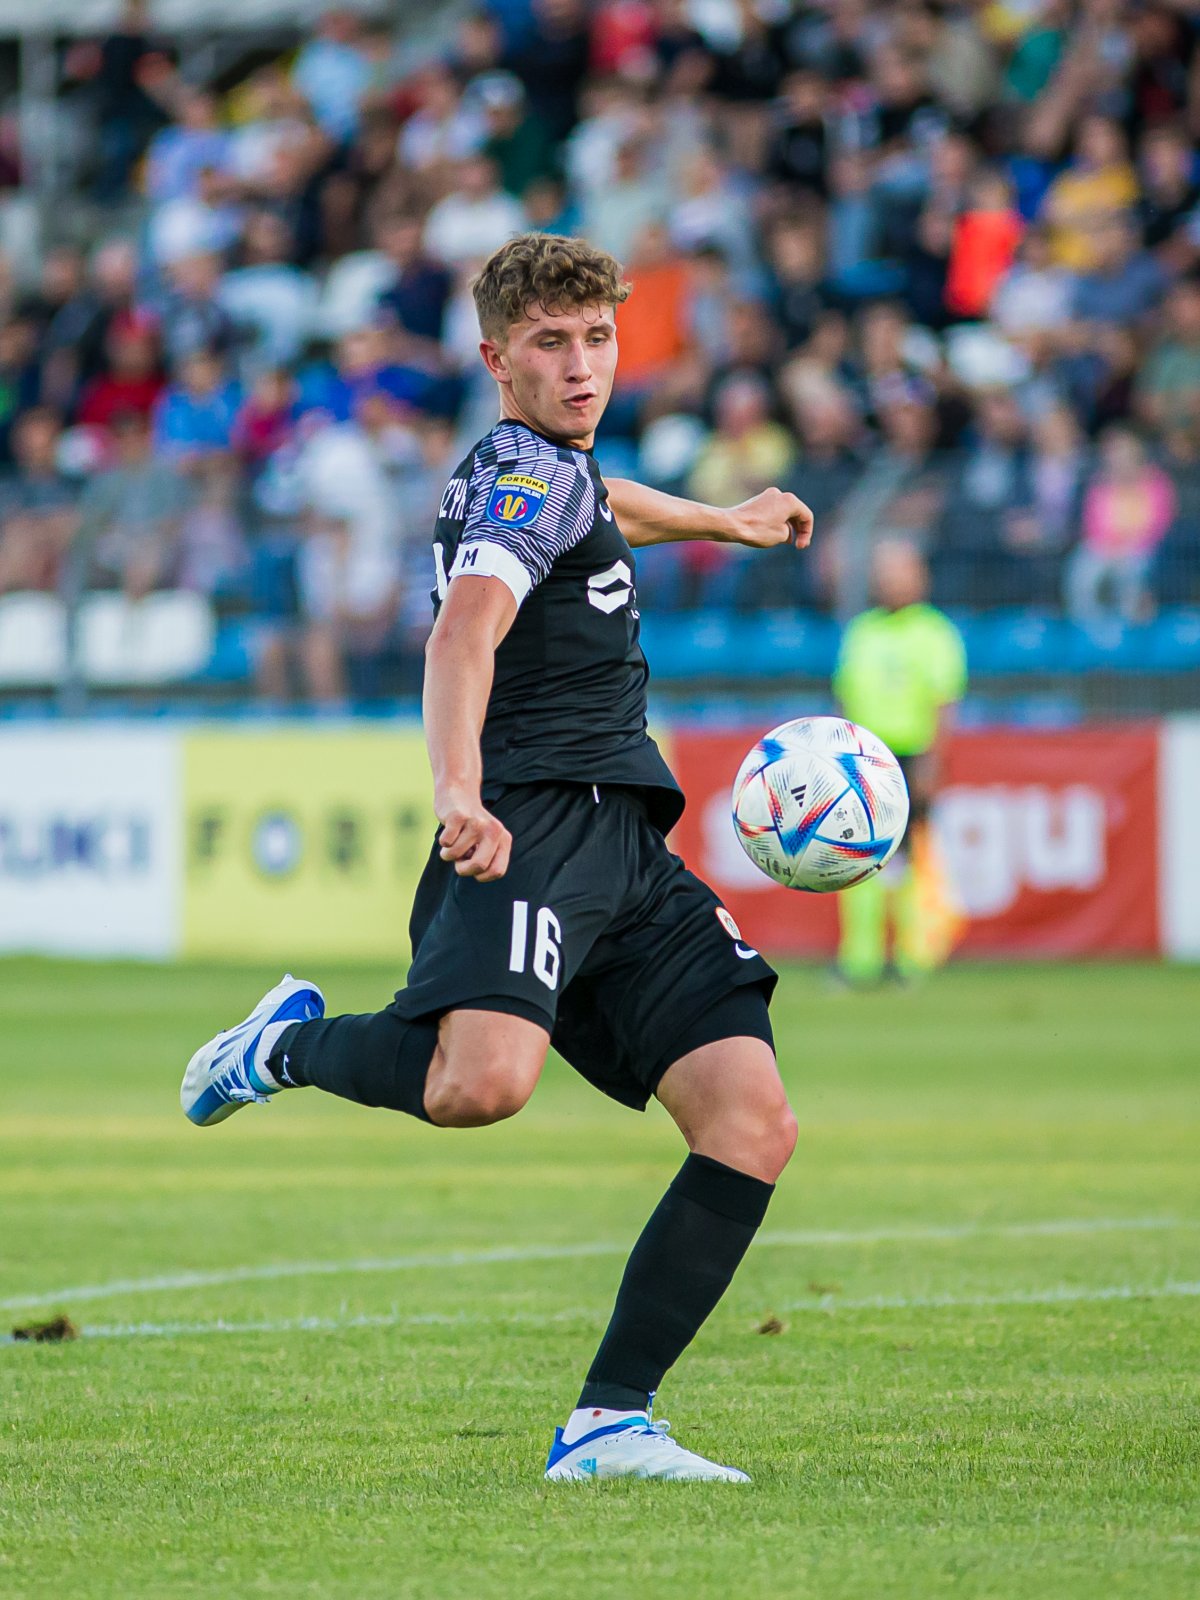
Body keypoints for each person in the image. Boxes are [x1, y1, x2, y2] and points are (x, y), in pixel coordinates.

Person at [180, 232, 812, 1482]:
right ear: (495, 359)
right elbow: (464, 635)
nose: (583, 367)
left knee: (752, 1120)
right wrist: (457, 791)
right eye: (550, 344)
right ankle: (282, 1047)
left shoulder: (561, 470)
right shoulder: (523, 480)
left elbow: (606, 503)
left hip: (627, 834)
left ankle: (610, 1423)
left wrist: (724, 521)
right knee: (480, 1087)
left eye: (599, 339)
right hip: (532, 822)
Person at [832, 538, 966, 987]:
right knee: (855, 859)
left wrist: (932, 761)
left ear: (919, 577)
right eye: (883, 573)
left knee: (909, 860)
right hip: (862, 759)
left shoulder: (935, 632)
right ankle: (861, 961)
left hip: (910, 756)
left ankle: (913, 958)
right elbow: (844, 696)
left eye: (898, 572)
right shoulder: (862, 631)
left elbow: (945, 702)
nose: (889, 581)